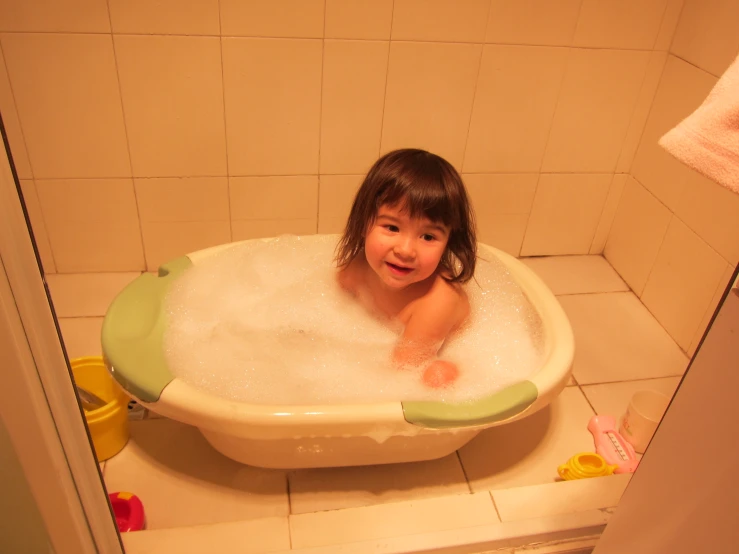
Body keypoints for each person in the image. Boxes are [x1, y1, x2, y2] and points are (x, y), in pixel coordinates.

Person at [335, 148, 477, 388]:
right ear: (362, 223)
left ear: (448, 244)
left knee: (437, 376)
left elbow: (399, 374)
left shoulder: (436, 302)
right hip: (398, 347)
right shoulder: (361, 266)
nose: (406, 250)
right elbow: (333, 296)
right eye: (392, 228)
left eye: (428, 237)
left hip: (442, 353)